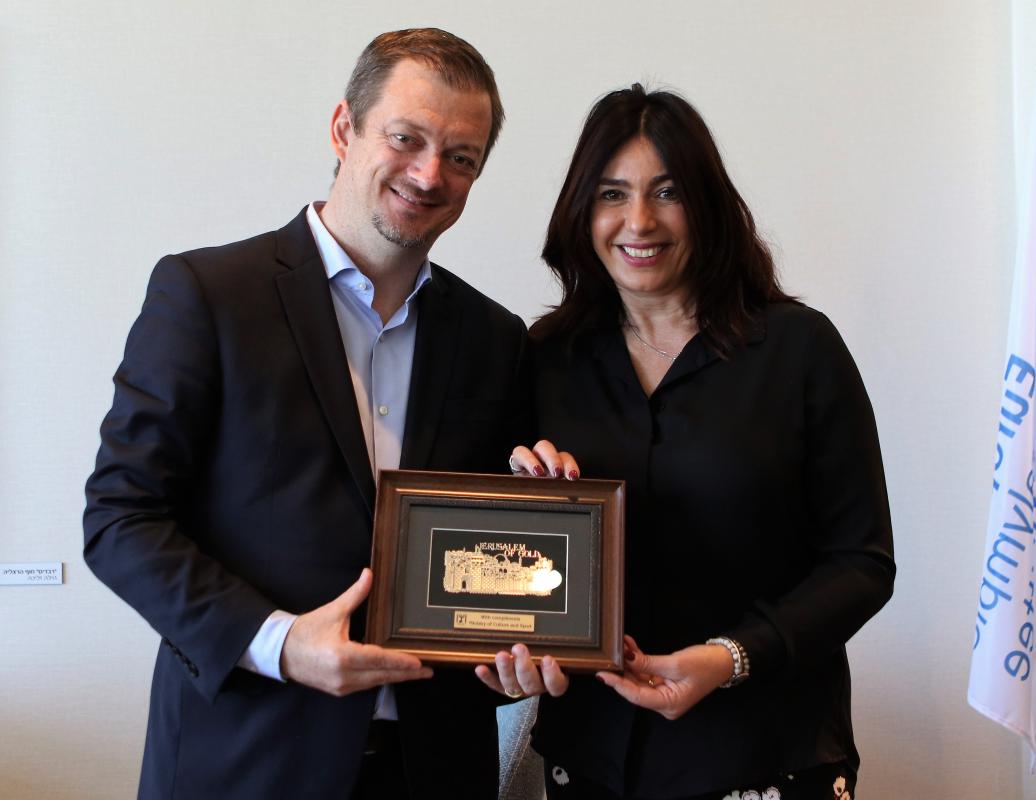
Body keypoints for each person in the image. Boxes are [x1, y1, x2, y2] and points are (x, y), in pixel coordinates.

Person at [83, 29, 530, 799]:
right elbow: (120, 520)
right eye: (406, 137)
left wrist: (525, 636)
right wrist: (279, 643)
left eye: (462, 157)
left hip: (435, 767)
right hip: (248, 758)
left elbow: (494, 557)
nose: (430, 174)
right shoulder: (208, 294)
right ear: (342, 128)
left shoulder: (496, 338)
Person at [489, 85, 895, 799]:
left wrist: (730, 657)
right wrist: (525, 513)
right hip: (590, 757)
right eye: (612, 193)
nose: (638, 221)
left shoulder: (800, 349)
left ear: (705, 205)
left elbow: (861, 564)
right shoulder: (542, 358)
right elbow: (508, 561)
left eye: (666, 192)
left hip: (765, 751)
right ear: (582, 211)